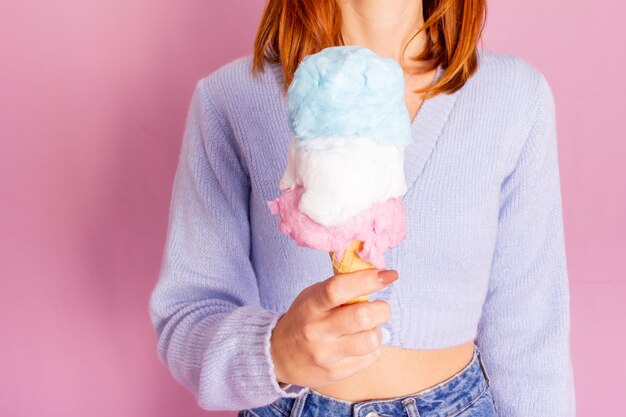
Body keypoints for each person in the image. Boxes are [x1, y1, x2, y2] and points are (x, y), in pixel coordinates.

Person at [148, 0, 576, 416]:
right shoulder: (231, 100)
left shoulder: (514, 97)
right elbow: (187, 317)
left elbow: (531, 337)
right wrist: (276, 350)